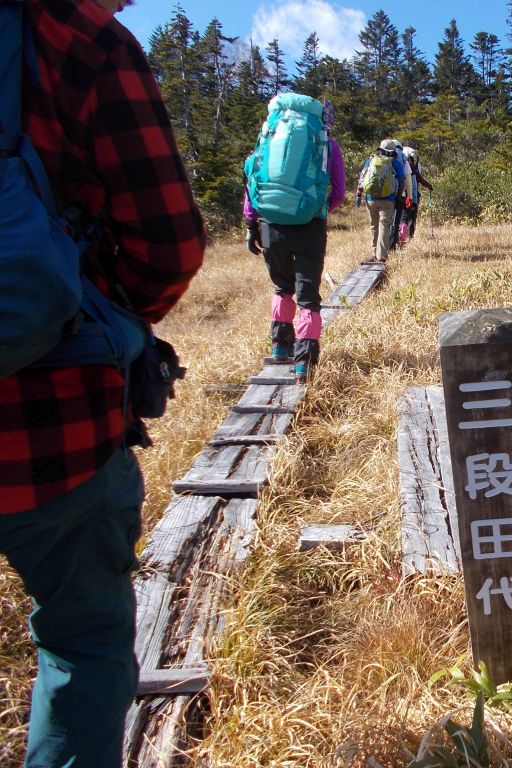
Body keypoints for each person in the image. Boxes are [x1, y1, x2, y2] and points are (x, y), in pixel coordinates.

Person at [0, 0, 206, 766]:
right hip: (48, 429)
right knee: (84, 642)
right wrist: (100, 325)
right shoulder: (75, 42)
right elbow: (171, 244)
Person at [244, 99, 345, 382]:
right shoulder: (327, 145)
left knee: (282, 287)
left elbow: (251, 180)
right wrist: (316, 211)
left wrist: (252, 223)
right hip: (310, 226)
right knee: (309, 297)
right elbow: (338, 193)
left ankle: (280, 346)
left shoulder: (268, 137)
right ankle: (305, 363)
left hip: (270, 225)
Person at [356, 139, 407, 264]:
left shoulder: (371, 160)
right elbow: (402, 181)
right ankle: (382, 256)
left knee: (374, 225)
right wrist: (399, 195)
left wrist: (358, 194)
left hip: (370, 198)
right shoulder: (395, 163)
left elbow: (363, 177)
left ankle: (374, 253)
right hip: (388, 200)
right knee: (385, 225)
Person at [399, 146, 433, 244]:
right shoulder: (415, 170)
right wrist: (430, 187)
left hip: (401, 197)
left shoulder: (400, 167)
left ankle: (401, 237)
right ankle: (408, 237)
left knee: (402, 218)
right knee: (411, 219)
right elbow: (422, 181)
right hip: (413, 198)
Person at [388, 140, 415, 250]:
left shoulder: (380, 158)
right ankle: (392, 245)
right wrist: (410, 196)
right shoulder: (403, 160)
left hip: (384, 195)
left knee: (385, 221)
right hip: (400, 194)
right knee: (396, 220)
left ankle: (381, 246)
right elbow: (408, 181)